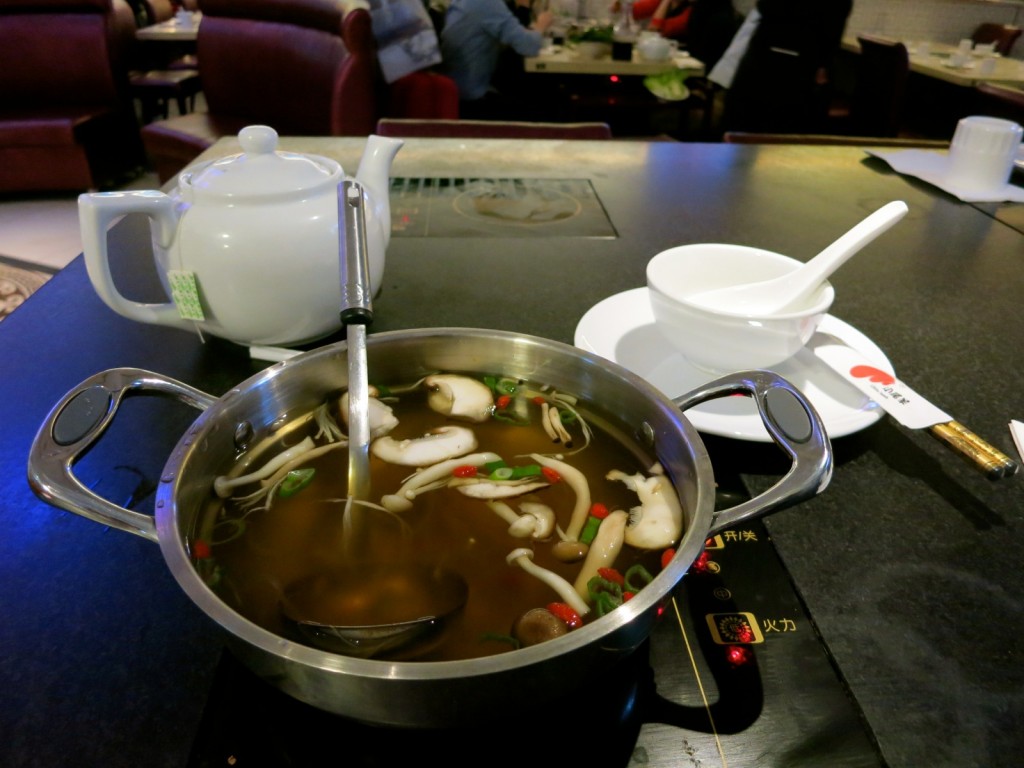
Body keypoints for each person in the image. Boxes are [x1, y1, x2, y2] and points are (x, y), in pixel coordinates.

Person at [722, 0, 852, 134]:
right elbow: (833, 29)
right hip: (804, 64)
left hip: (764, 57)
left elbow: (764, 7)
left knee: (743, 126)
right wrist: (823, 65)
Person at [440, 0, 553, 117]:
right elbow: (529, 46)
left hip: (454, 90)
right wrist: (541, 25)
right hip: (472, 98)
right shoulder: (487, 3)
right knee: (546, 100)